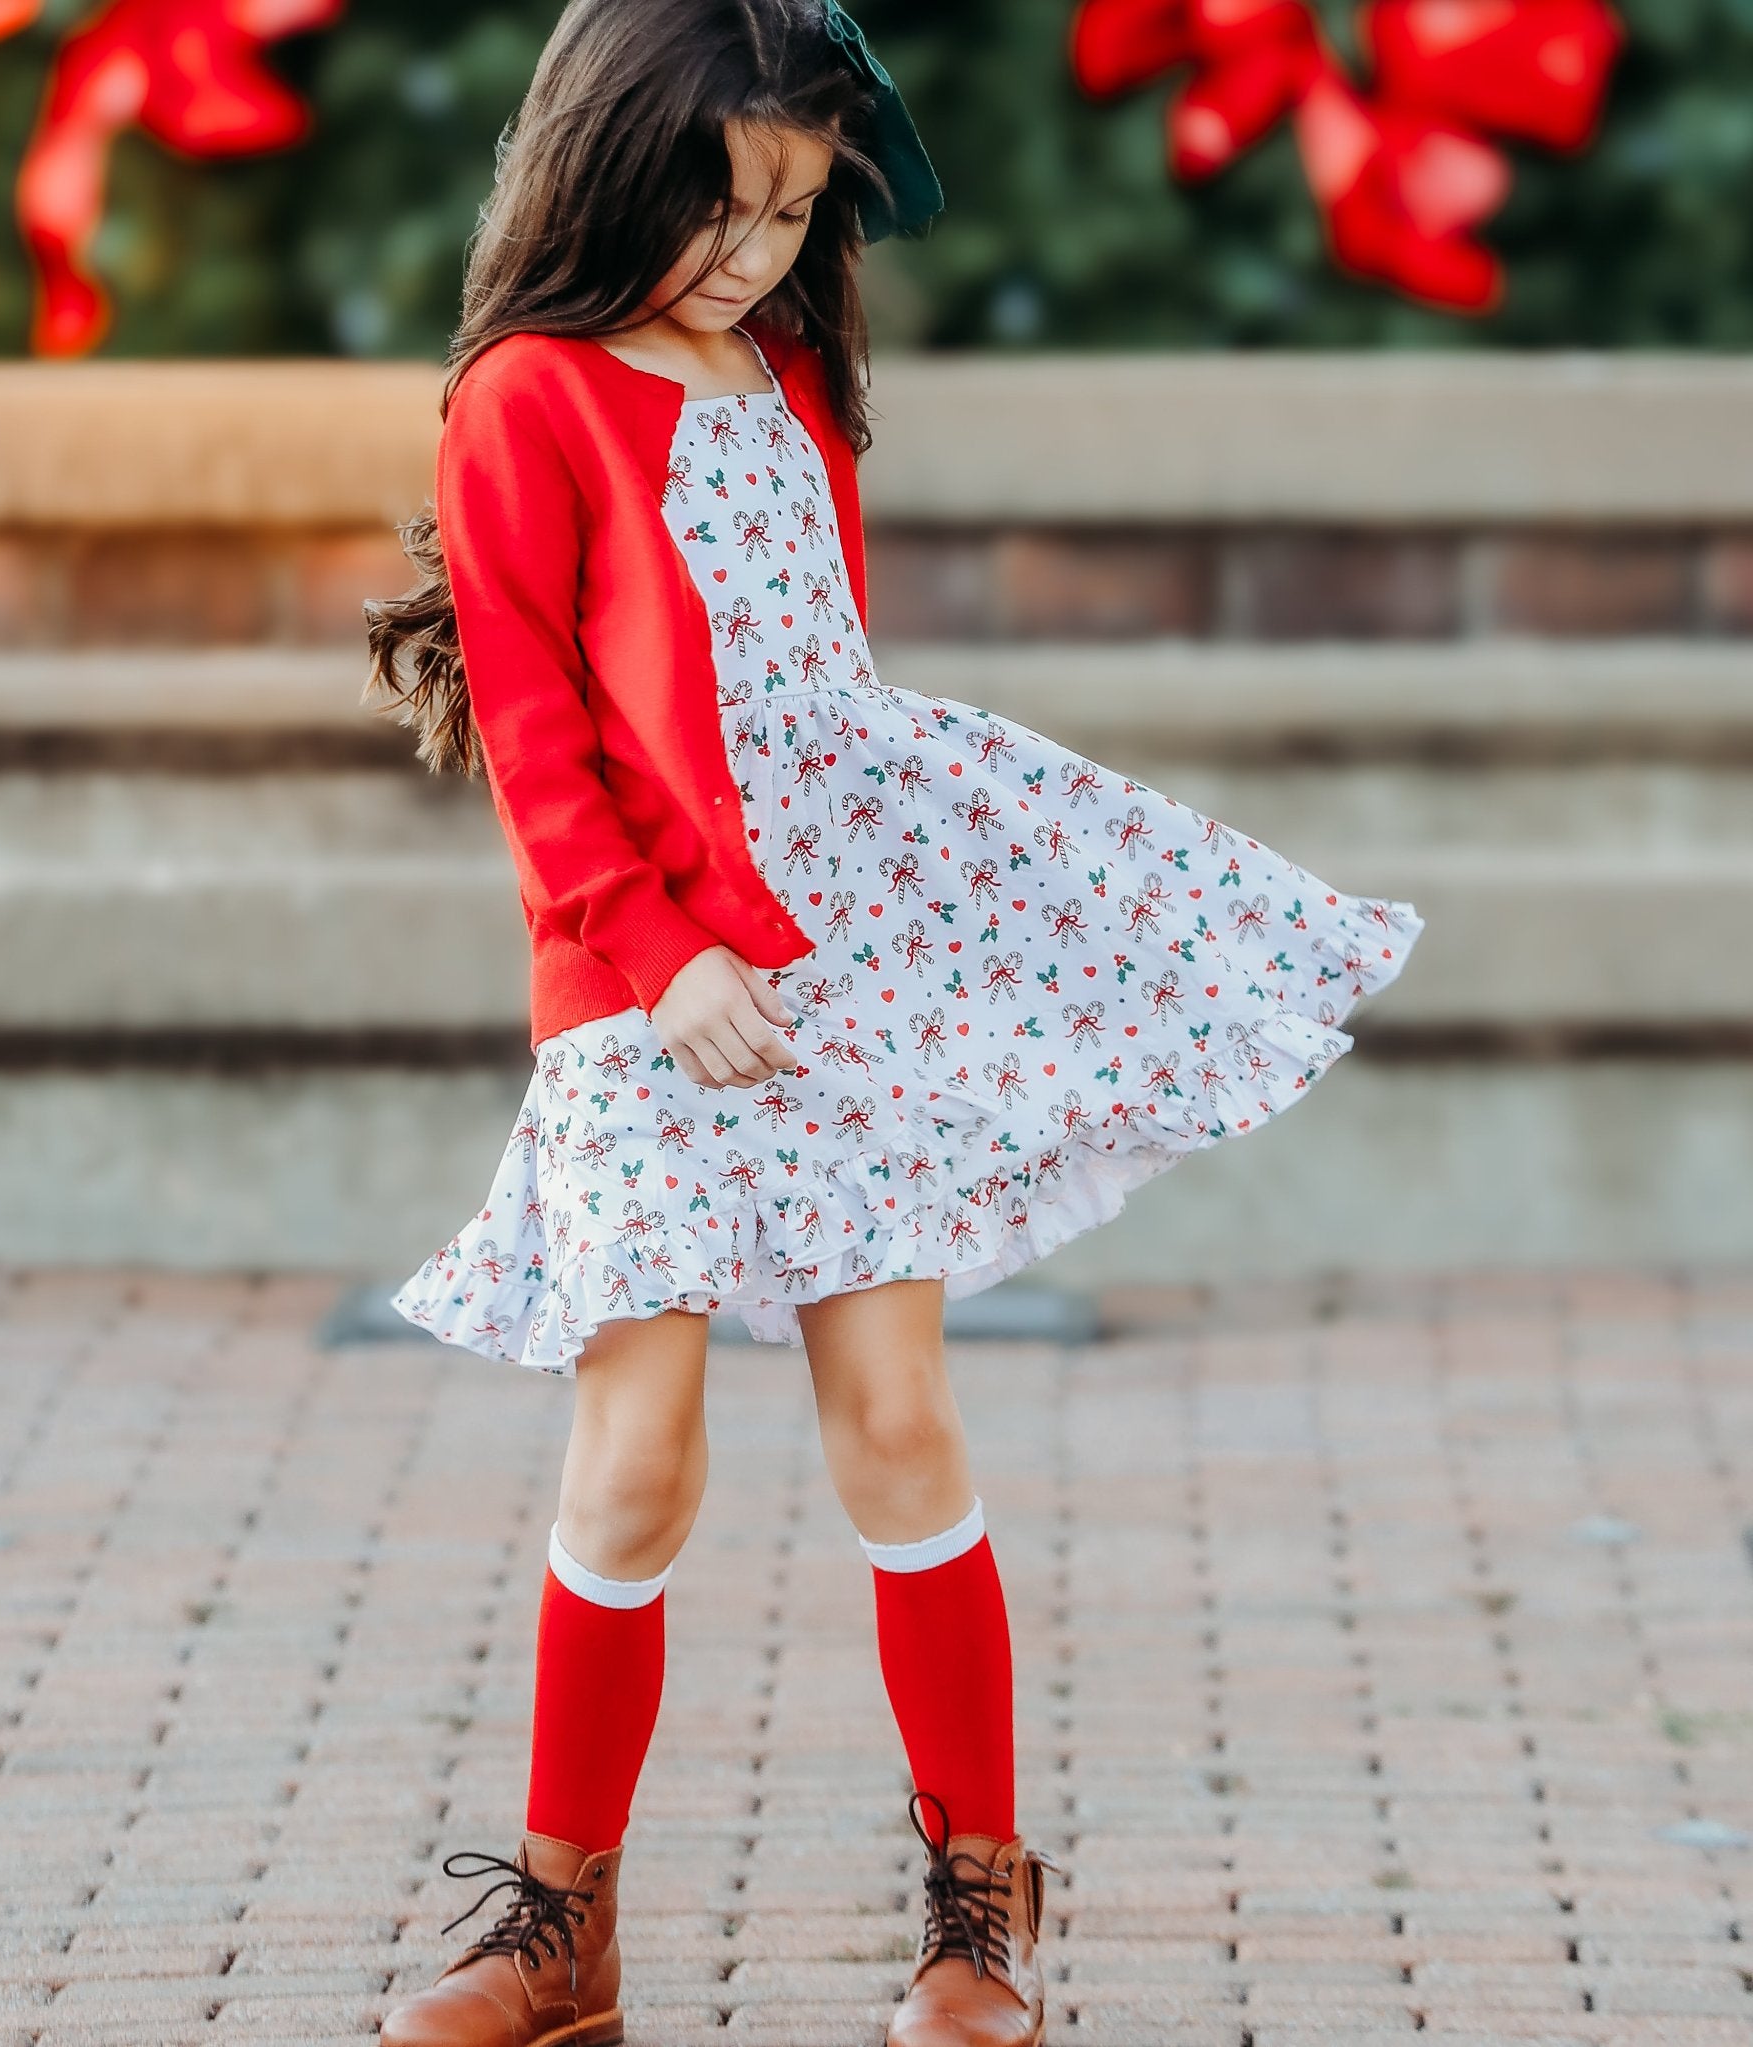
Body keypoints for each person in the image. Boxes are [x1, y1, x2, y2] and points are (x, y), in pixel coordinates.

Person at [364, 4, 1425, 2042]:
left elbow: (820, 691)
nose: (755, 254)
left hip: (849, 960)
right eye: (722, 204)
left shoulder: (786, 363)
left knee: (897, 1420)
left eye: (789, 212)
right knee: (634, 1456)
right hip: (640, 982)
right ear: (608, 161)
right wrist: (656, 953)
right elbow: (533, 717)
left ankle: (975, 1910)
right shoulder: (524, 395)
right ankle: (560, 1933)